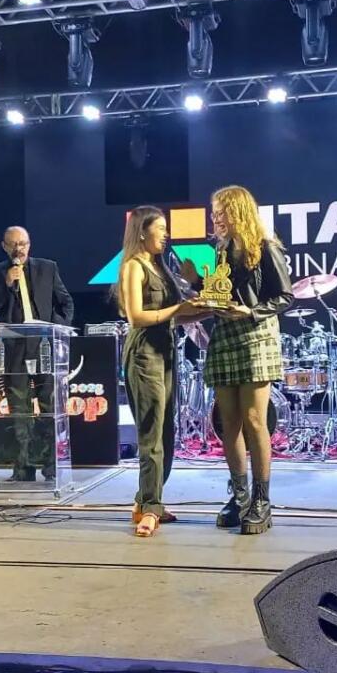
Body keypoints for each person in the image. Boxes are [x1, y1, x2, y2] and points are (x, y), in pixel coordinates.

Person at [183, 185, 293, 535]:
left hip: (256, 334)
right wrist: (197, 283)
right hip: (226, 334)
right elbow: (222, 295)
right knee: (227, 422)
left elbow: (285, 296)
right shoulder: (219, 250)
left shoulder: (265, 246)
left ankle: (262, 501)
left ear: (238, 211)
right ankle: (240, 496)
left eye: (221, 211)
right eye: (214, 211)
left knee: (254, 420)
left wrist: (251, 311)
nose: (215, 217)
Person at [115, 207, 203, 538]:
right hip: (144, 355)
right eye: (160, 228)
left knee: (167, 433)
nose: (166, 235)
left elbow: (173, 317)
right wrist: (179, 308)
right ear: (142, 231)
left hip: (166, 353)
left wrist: (209, 310)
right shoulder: (133, 267)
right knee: (151, 435)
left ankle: (145, 501)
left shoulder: (160, 267)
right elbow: (137, 316)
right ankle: (151, 507)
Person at [0, 226, 74, 481]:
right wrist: (6, 283)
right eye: (13, 244)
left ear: (29, 245)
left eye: (23, 244)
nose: (19, 249)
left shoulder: (47, 268)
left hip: (44, 345)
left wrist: (57, 329)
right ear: (4, 247)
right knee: (19, 409)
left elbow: (65, 302)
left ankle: (50, 465)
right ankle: (23, 467)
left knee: (48, 407)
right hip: (15, 350)